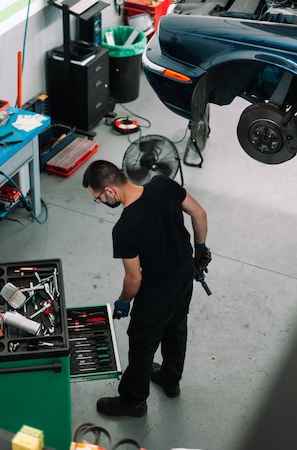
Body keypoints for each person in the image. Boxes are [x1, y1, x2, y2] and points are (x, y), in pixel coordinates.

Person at [82, 159, 210, 417]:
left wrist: (123, 301)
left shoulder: (124, 228)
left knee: (142, 342)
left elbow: (134, 279)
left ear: (110, 191)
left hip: (159, 285)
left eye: (98, 198)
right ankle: (170, 380)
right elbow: (199, 213)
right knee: (176, 326)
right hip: (185, 271)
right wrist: (201, 248)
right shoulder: (162, 185)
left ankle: (133, 401)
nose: (101, 203)